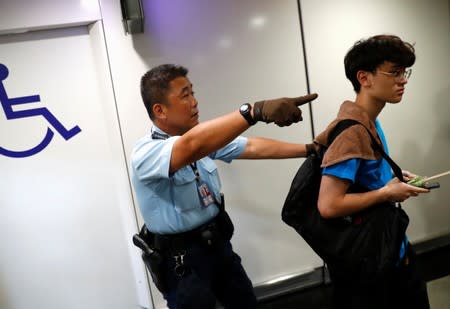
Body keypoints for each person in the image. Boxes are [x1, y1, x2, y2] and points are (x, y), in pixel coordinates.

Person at [130, 63, 318, 309]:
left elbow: (250, 147)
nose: (195, 101)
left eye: (192, 92)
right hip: (183, 262)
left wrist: (310, 149)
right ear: (160, 110)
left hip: (217, 245)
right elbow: (190, 147)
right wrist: (254, 111)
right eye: (185, 95)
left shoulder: (203, 138)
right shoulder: (146, 152)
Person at [314, 35, 430, 308]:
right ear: (364, 78)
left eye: (404, 72)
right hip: (371, 265)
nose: (403, 80)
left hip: (390, 250)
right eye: (394, 72)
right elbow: (329, 205)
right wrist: (386, 193)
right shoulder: (352, 130)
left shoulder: (369, 122)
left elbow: (364, 180)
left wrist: (393, 181)